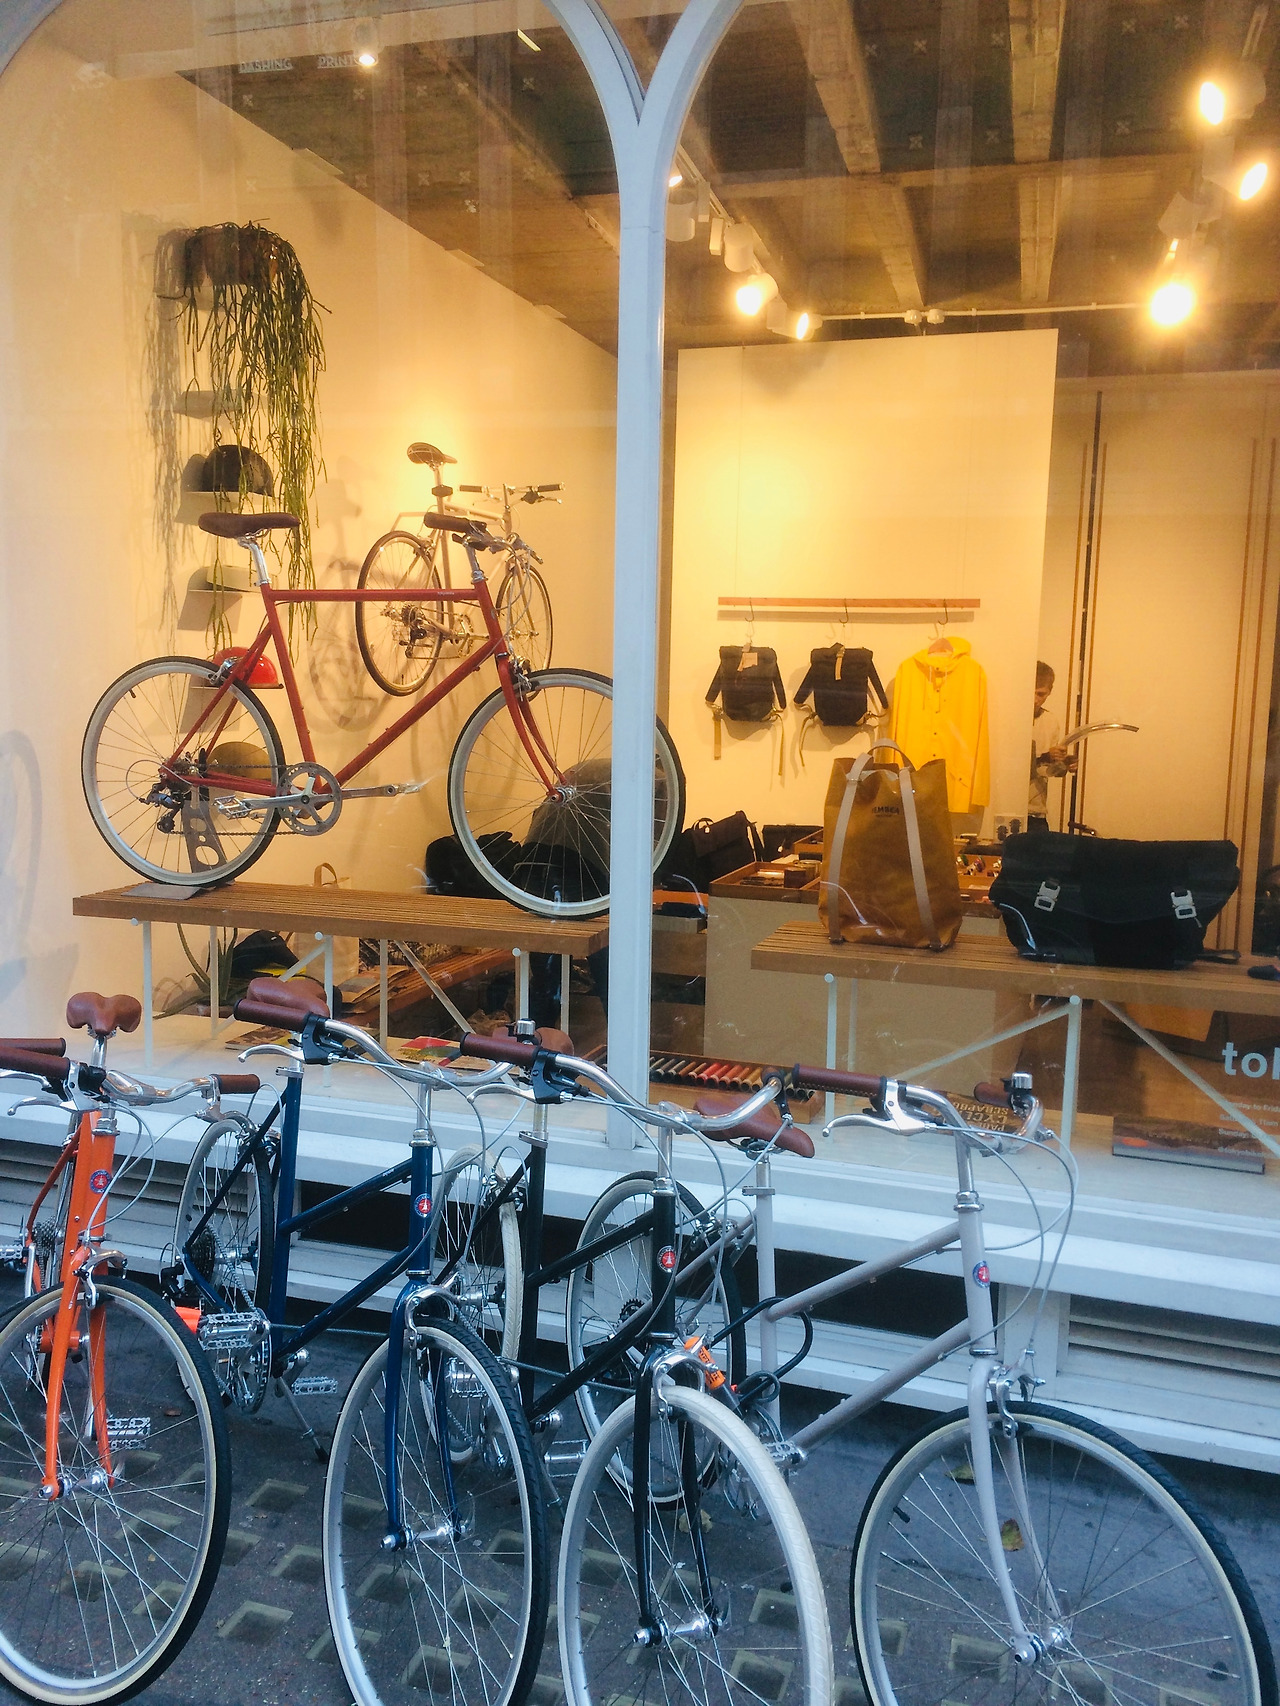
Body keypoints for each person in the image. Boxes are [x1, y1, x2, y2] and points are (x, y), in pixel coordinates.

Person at [1029, 660, 1074, 831]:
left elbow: (1050, 771)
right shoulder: (1010, 718)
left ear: (1050, 691)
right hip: (1010, 806)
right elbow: (1013, 766)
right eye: (1031, 692)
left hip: (1037, 811)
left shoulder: (1051, 721)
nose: (1035, 700)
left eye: (1041, 694)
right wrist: (1046, 757)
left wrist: (1063, 764)